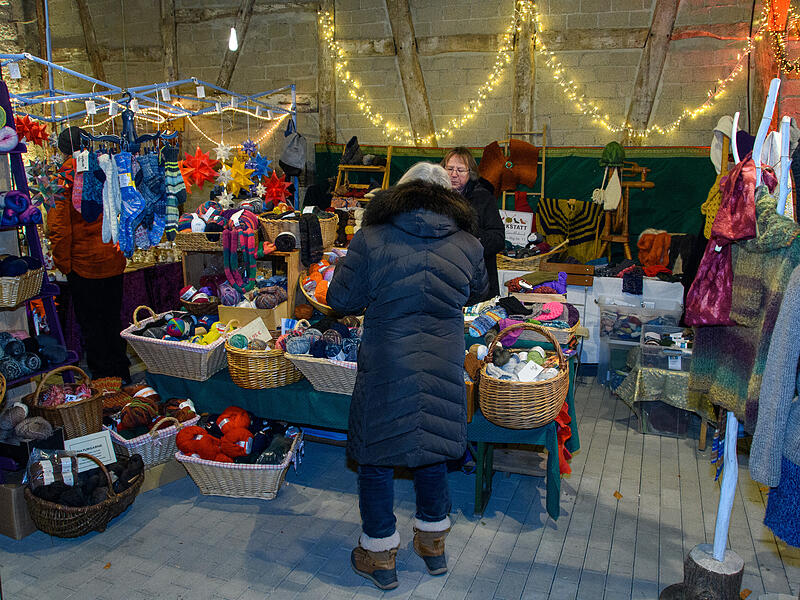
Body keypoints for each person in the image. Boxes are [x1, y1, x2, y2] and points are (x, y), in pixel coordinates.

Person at [327, 162, 488, 590]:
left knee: (377, 458)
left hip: (387, 361)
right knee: (433, 449)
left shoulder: (372, 238)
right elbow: (476, 291)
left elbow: (340, 298)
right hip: (442, 360)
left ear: (400, 194)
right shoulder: (469, 243)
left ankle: (379, 557)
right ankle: (433, 545)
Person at [49, 126, 131, 382]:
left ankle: (106, 380)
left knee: (93, 326)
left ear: (62, 149)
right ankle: (121, 372)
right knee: (111, 320)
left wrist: (64, 263)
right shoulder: (103, 164)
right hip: (112, 259)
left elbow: (58, 226)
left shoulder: (64, 176)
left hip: (84, 264)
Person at [441, 147, 505, 299]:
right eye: (449, 168)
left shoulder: (484, 198)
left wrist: (469, 235)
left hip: (477, 281)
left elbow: (498, 239)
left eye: (460, 170)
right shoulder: (435, 198)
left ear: (471, 173)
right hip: (444, 279)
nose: (454, 174)